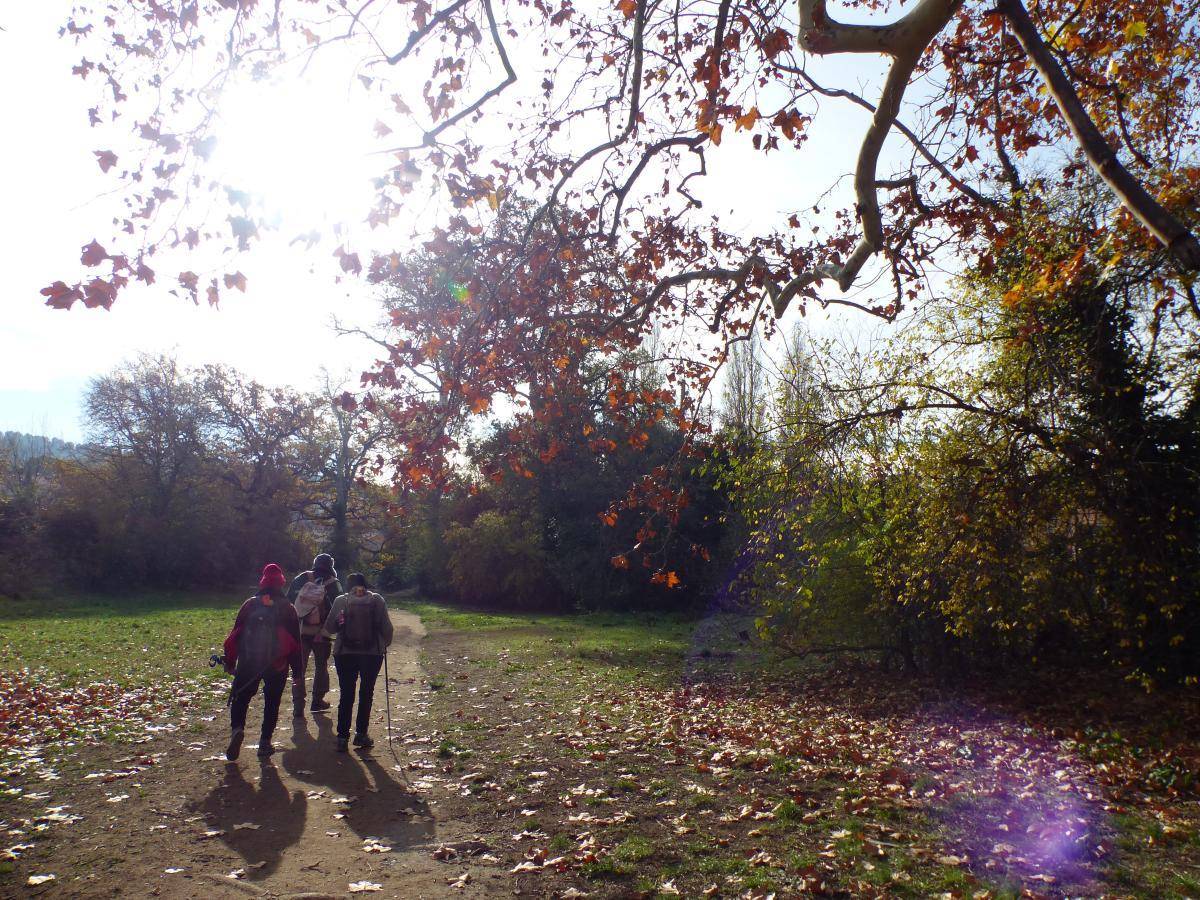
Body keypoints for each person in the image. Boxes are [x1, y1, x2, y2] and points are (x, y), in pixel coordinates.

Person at [222, 563, 303, 761]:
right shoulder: (288, 608)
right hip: (277, 663)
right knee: (272, 702)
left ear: (263, 582)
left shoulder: (250, 604)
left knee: (241, 697)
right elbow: (295, 644)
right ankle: (265, 743)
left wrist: (230, 662)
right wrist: (298, 673)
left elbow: (236, 636)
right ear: (281, 583)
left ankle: (237, 729)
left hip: (249, 660)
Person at [322, 573, 393, 753]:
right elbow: (387, 629)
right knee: (366, 693)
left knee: (346, 694)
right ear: (365, 584)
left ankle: (342, 737)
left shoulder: (341, 600)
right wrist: (384, 644)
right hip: (371, 654)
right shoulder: (377, 600)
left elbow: (330, 628)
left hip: (345, 653)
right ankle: (361, 734)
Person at [285, 553, 343, 718]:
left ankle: (298, 705)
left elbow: (288, 602)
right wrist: (331, 630)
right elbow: (340, 609)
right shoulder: (333, 583)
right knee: (321, 666)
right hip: (321, 633)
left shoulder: (300, 578)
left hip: (300, 631)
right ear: (330, 566)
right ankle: (317, 700)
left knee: (299, 668)